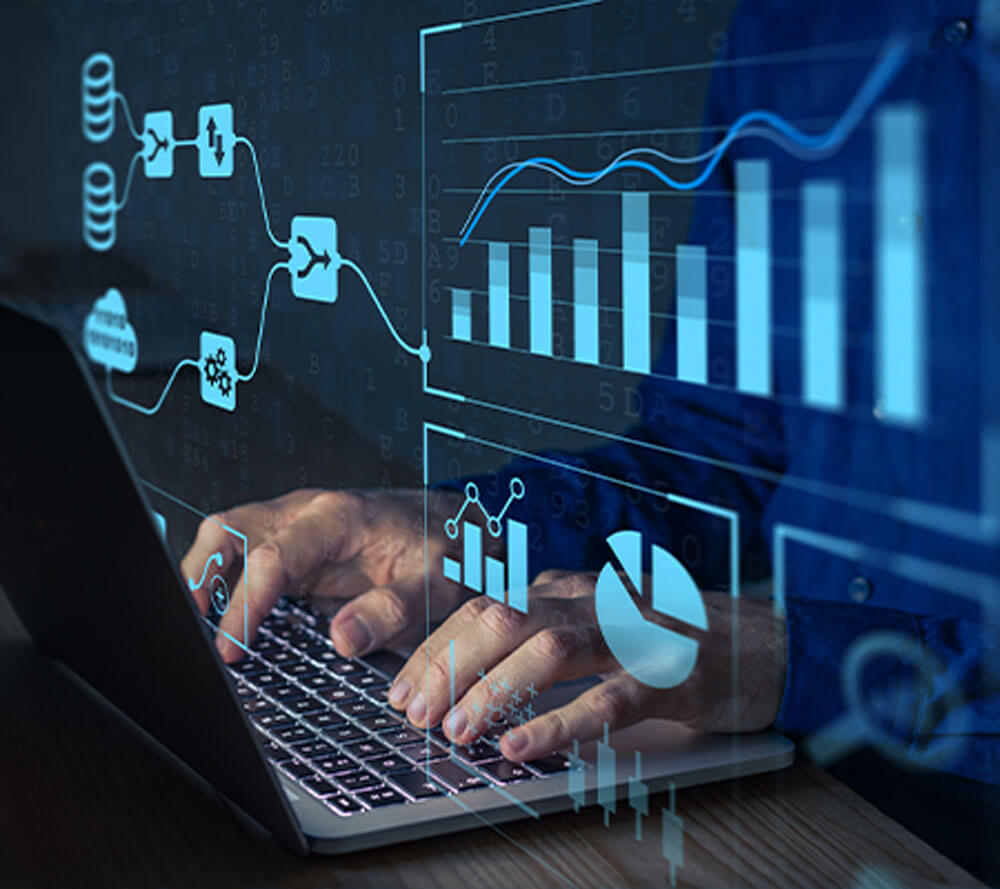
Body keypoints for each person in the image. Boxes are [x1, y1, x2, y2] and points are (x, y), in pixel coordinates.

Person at [183, 0, 998, 871]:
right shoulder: (789, 22)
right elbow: (721, 446)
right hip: (800, 787)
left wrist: (793, 659)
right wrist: (475, 529)